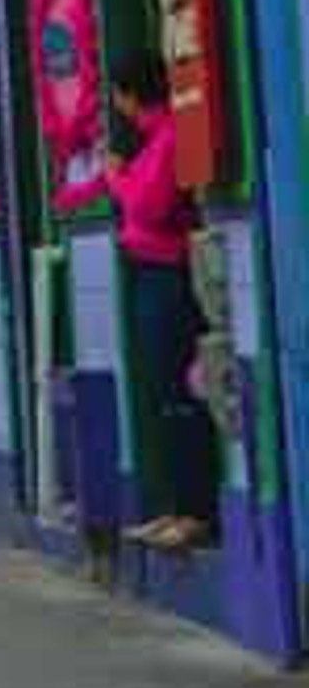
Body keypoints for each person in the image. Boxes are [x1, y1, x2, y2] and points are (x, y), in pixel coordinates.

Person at [91, 55, 218, 551]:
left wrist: (114, 178)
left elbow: (148, 206)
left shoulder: (165, 139)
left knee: (179, 392)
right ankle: (175, 507)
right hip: (152, 274)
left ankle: (194, 511)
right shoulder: (155, 141)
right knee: (164, 392)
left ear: (128, 95)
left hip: (167, 275)